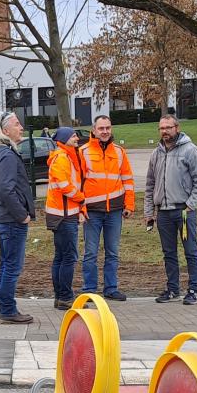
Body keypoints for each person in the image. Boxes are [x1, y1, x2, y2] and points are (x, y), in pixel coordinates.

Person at [145, 114, 197, 305]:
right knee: (169, 253)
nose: (165, 131)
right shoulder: (156, 153)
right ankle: (173, 289)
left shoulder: (190, 150)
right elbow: (150, 184)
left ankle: (194, 289)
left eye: (168, 127)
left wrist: (191, 204)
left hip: (183, 211)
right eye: (162, 128)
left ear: (177, 128)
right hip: (163, 212)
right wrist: (149, 212)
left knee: (190, 251)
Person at [0, 111, 35, 323]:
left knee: (7, 264)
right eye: (16, 124)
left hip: (4, 219)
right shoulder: (6, 156)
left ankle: (6, 308)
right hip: (11, 220)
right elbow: (7, 190)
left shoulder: (1, 153)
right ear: (5, 131)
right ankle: (7, 310)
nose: (21, 127)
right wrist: (22, 215)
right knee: (12, 265)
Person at [80, 115, 135, 300]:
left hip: (115, 211)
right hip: (92, 212)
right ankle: (89, 290)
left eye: (108, 128)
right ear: (94, 130)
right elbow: (78, 183)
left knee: (113, 252)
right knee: (90, 253)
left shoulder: (119, 152)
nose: (105, 132)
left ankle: (111, 288)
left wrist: (129, 204)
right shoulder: (83, 152)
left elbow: (127, 180)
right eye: (101, 128)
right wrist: (81, 209)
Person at [45, 127, 83, 310]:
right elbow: (64, 186)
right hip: (64, 216)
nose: (77, 138)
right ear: (64, 139)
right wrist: (81, 197)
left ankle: (60, 297)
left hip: (61, 215)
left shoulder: (64, 156)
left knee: (60, 257)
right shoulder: (62, 157)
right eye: (73, 135)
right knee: (68, 257)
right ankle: (65, 297)